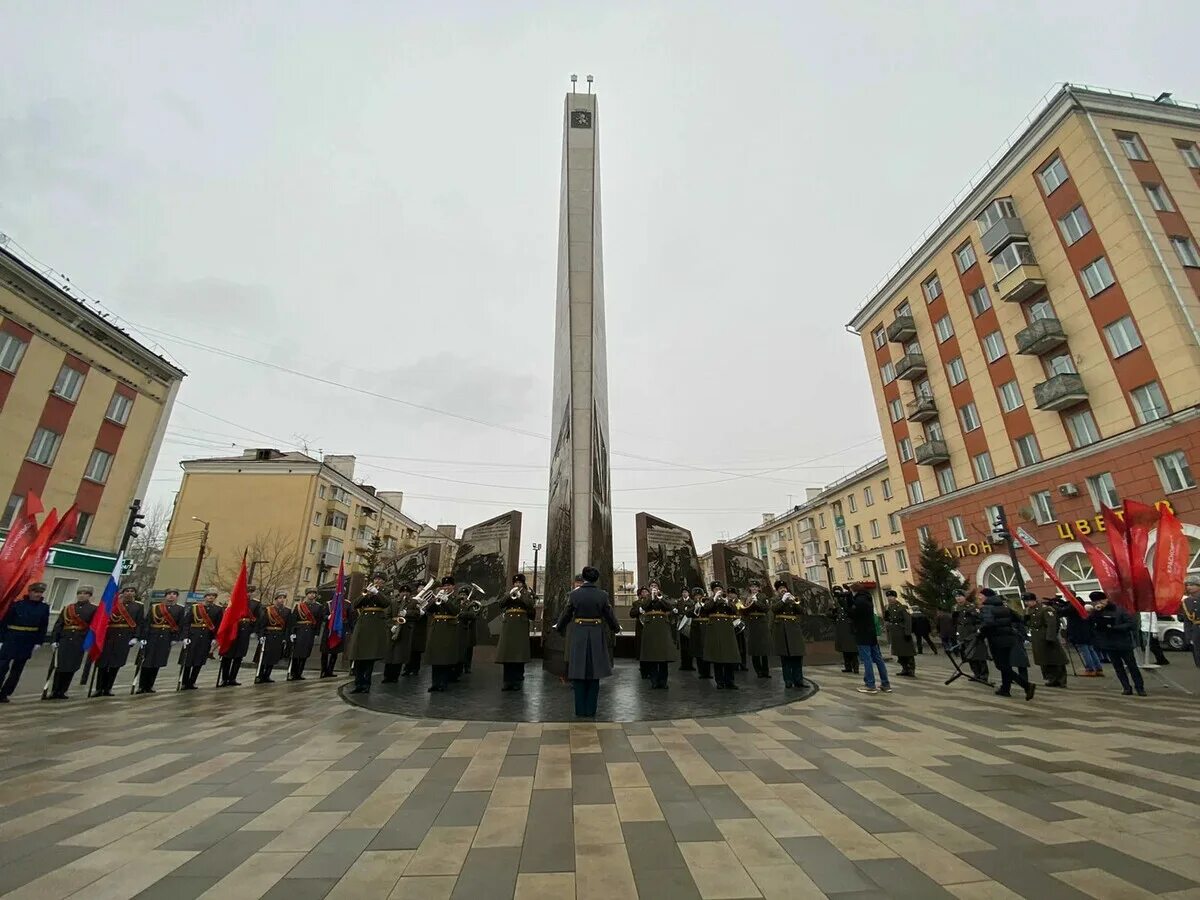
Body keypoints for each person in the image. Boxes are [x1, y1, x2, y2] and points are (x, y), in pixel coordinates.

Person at [554, 565, 621, 717]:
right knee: (594, 673)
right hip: (596, 633)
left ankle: (580, 710)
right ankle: (591, 710)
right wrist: (615, 628)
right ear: (596, 579)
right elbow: (609, 615)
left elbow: (566, 613)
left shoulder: (574, 595)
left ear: (583, 578)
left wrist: (559, 627)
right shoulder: (602, 595)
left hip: (579, 634)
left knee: (578, 673)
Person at [979, 588, 1036, 701]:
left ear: (987, 597)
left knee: (1002, 666)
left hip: (996, 640)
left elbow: (988, 624)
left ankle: (1026, 685)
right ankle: (1005, 689)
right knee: (1006, 664)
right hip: (1009, 639)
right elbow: (1019, 619)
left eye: (981, 595)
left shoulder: (987, 608)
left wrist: (980, 633)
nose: (979, 598)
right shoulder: (1004, 607)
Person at [0, 581, 50, 702]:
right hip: (12, 638)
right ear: (30, 592)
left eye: (40, 592)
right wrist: (1, 639)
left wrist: (39, 642)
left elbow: (43, 626)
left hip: (28, 641)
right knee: (2, 666)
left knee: (17, 670)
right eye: (36, 592)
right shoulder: (17, 605)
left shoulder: (44, 608)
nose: (38, 594)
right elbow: (5, 622)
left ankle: (5, 693)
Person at [1090, 593, 1146, 696]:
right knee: (1118, 667)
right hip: (1109, 643)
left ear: (1106, 600)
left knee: (1132, 666)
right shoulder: (1097, 612)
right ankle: (1126, 687)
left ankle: (1140, 688)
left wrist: (1115, 627)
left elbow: (1131, 624)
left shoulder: (1119, 610)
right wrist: (1095, 612)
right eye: (1096, 602)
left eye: (1101, 601)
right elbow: (1091, 623)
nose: (1099, 603)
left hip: (1123, 642)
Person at [47, 586, 97, 699]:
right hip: (65, 639)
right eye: (80, 593)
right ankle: (55, 690)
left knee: (72, 666)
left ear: (89, 596)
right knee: (59, 666)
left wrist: (90, 642)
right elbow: (59, 625)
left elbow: (93, 627)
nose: (82, 595)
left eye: (85, 593)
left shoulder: (93, 609)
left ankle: (63, 691)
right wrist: (54, 640)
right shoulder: (68, 608)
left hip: (79, 640)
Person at [94, 586, 144, 697]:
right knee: (102, 663)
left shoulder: (138, 606)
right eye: (127, 591)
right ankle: (98, 688)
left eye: (132, 591)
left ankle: (108, 688)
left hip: (124, 637)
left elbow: (139, 622)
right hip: (108, 636)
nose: (129, 593)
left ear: (135, 594)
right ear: (123, 593)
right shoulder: (113, 604)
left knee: (115, 664)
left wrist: (135, 637)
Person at [347, 576, 390, 694]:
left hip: (375, 625)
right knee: (359, 656)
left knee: (369, 657)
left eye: (380, 579)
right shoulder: (367, 591)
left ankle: (366, 684)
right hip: (362, 625)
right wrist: (365, 594)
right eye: (376, 579)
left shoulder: (386, 591)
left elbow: (386, 603)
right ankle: (358, 684)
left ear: (383, 582)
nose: (377, 581)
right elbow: (355, 604)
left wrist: (377, 593)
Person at [136, 589, 185, 694]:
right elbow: (147, 622)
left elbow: (180, 625)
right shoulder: (155, 607)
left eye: (174, 594)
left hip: (166, 637)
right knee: (146, 662)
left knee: (157, 662)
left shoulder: (179, 609)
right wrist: (143, 637)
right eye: (169, 594)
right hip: (152, 636)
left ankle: (150, 685)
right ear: (165, 596)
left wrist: (175, 638)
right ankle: (141, 685)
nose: (171, 596)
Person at [495, 575, 535, 691]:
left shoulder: (526, 594)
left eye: (519, 583)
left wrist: (521, 596)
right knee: (507, 653)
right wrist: (509, 595)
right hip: (509, 625)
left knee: (519, 654)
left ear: (523, 584)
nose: (517, 585)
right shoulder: (509, 593)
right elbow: (500, 604)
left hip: (520, 624)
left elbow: (530, 605)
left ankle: (517, 680)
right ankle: (507, 681)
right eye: (515, 583)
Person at [850, 586, 890, 694]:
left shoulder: (859, 601)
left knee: (866, 659)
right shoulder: (868, 599)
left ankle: (870, 684)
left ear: (855, 591)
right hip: (871, 633)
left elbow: (853, 615)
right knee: (878, 658)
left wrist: (849, 604)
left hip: (862, 633)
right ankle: (885, 683)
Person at [179, 591, 222, 690]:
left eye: (213, 596)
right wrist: (185, 636)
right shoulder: (195, 607)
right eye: (209, 595)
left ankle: (192, 682)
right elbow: (186, 623)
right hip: (193, 636)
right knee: (188, 660)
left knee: (199, 659)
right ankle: (185, 682)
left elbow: (218, 624)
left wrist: (215, 638)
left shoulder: (217, 609)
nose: (211, 597)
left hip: (206, 637)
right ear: (205, 597)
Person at [219, 584, 260, 687]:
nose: (249, 594)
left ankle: (233, 678)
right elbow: (227, 615)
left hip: (245, 632)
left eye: (251, 592)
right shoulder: (234, 601)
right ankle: (224, 678)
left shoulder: (255, 604)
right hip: (233, 630)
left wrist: (253, 630)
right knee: (227, 656)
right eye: (247, 592)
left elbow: (258, 618)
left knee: (238, 656)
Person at [425, 577, 462, 692]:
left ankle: (443, 683)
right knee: (435, 657)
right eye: (444, 585)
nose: (446, 587)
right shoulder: (438, 596)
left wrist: (447, 601)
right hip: (436, 628)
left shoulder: (456, 598)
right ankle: (435, 683)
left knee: (444, 658)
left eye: (448, 585)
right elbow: (428, 610)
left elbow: (455, 611)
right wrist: (435, 599)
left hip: (448, 629)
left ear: (453, 586)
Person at [638, 583, 677, 689]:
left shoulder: (663, 597)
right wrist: (651, 597)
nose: (653, 588)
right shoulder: (647, 598)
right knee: (652, 656)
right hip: (650, 627)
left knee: (663, 656)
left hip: (662, 628)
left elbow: (670, 608)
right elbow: (644, 607)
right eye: (651, 586)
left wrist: (660, 599)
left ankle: (663, 681)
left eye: (655, 586)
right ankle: (654, 681)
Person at [1027, 594, 1068, 687]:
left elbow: (1051, 624)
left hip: (1047, 637)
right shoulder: (1029, 610)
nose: (1027, 603)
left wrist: (1050, 637)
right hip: (1038, 638)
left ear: (1034, 600)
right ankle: (1051, 678)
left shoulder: (1045, 609)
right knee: (1044, 660)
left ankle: (1061, 680)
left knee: (1056, 659)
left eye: (1028, 601)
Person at [705, 587, 742, 690]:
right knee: (718, 657)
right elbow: (706, 609)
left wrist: (728, 602)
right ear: (713, 591)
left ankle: (730, 681)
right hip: (715, 630)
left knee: (729, 656)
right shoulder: (710, 599)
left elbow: (734, 610)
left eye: (720, 589)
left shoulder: (727, 600)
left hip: (727, 630)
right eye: (716, 589)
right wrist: (714, 598)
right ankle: (720, 681)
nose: (718, 591)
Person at [771, 581, 806, 688]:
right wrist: (783, 600)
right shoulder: (775, 600)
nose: (783, 590)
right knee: (785, 657)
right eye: (781, 588)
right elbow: (774, 609)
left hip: (794, 630)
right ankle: (788, 680)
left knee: (797, 656)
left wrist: (794, 602)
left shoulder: (793, 599)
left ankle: (799, 680)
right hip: (782, 630)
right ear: (777, 591)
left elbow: (801, 611)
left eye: (784, 588)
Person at [381, 584, 416, 684]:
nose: (405, 594)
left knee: (399, 655)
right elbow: (387, 615)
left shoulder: (413, 603)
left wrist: (407, 613)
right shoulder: (393, 602)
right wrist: (391, 625)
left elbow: (417, 614)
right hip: (392, 629)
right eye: (403, 592)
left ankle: (395, 676)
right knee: (389, 654)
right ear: (399, 593)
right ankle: (387, 676)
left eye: (407, 592)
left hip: (404, 630)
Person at [255, 591, 291, 684]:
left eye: (283, 598)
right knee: (264, 656)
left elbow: (287, 626)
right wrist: (261, 635)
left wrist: (285, 638)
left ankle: (267, 675)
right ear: (276, 599)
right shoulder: (268, 610)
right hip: (268, 634)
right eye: (280, 598)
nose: (282, 600)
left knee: (274, 656)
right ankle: (260, 675)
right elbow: (262, 624)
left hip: (279, 635)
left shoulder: (287, 611)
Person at [287, 589, 324, 680]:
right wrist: (292, 632)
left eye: (314, 594)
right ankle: (293, 672)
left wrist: (316, 633)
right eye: (310, 593)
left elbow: (318, 621)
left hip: (310, 631)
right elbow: (293, 620)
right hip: (300, 630)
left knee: (305, 653)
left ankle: (299, 673)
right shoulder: (299, 606)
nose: (312, 595)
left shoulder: (318, 607)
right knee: (296, 653)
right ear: (307, 595)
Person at [1065, 595, 1105, 677]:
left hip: (1080, 634)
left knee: (1085, 651)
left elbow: (1070, 621)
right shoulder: (1085, 610)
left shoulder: (1074, 610)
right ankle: (1098, 668)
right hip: (1088, 633)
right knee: (1091, 650)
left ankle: (1090, 669)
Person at [957, 594, 990, 681]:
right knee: (969, 656)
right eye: (956, 597)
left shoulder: (971, 607)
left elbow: (979, 620)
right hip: (963, 636)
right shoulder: (956, 608)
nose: (958, 598)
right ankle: (976, 674)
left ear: (964, 597)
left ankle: (984, 675)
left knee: (979, 655)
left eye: (960, 596)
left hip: (974, 635)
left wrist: (978, 630)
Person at [743, 580, 772, 678]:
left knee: (763, 649)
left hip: (761, 623)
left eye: (756, 587)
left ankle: (765, 671)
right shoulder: (747, 598)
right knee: (754, 649)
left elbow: (766, 608)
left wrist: (756, 602)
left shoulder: (763, 596)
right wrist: (748, 603)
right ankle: (758, 671)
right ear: (749, 588)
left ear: (759, 588)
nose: (754, 589)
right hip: (752, 624)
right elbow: (744, 610)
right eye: (752, 587)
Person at [884, 591, 916, 677]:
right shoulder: (888, 608)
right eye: (888, 597)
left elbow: (908, 620)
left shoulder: (902, 607)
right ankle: (904, 668)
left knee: (908, 652)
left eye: (891, 596)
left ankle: (911, 669)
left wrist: (908, 633)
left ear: (895, 597)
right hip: (895, 633)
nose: (889, 598)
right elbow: (887, 620)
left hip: (902, 632)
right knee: (899, 653)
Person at [831, 588, 859, 674]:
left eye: (839, 594)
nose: (838, 596)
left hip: (849, 628)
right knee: (844, 649)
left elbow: (852, 612)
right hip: (841, 628)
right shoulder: (836, 604)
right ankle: (848, 666)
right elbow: (834, 614)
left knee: (852, 649)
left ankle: (855, 666)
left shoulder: (848, 602)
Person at [629, 587, 651, 679]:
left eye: (646, 591)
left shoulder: (651, 602)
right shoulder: (636, 603)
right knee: (642, 649)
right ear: (640, 594)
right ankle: (643, 670)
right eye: (643, 592)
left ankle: (650, 670)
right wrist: (638, 610)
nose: (644, 593)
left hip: (650, 627)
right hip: (640, 628)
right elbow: (631, 614)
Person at [692, 586, 713, 680]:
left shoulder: (707, 602)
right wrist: (695, 608)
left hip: (706, 627)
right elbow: (687, 614)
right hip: (696, 629)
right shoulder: (692, 604)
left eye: (699, 595)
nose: (698, 597)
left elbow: (710, 610)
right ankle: (701, 672)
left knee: (706, 650)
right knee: (698, 652)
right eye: (696, 596)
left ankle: (708, 672)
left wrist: (703, 605)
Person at [1182, 576, 1200, 669]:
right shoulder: (1186, 601)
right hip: (1196, 630)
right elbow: (1187, 621)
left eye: (1192, 584)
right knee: (1197, 654)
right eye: (1187, 585)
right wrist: (1188, 636)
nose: (1189, 587)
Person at [676, 588, 695, 671]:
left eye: (686, 592)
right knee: (683, 645)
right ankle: (683, 664)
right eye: (683, 592)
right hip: (681, 624)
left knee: (690, 645)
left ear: (688, 593)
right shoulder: (679, 601)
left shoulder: (692, 602)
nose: (684, 593)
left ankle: (690, 664)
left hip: (689, 623)